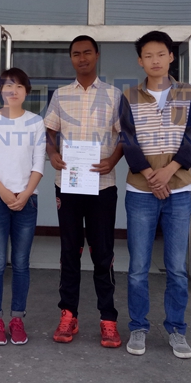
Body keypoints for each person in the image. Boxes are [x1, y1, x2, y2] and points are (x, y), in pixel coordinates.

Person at [119, 30, 191, 359]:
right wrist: (151, 176)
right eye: (148, 55)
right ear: (140, 61)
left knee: (176, 267)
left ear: (171, 57)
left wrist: (168, 172)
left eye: (161, 54)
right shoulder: (129, 96)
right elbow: (128, 140)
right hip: (140, 190)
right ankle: (138, 326)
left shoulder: (189, 93)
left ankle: (176, 330)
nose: (155, 60)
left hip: (180, 188)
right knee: (138, 266)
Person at [44, 35, 124, 348]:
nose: (82, 58)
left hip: (103, 186)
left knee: (102, 253)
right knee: (70, 251)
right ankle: (68, 314)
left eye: (87, 52)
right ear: (71, 58)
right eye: (76, 54)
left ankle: (108, 319)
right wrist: (52, 154)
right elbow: (49, 132)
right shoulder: (61, 96)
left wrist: (112, 160)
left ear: (97, 55)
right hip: (69, 185)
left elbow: (124, 138)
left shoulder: (115, 95)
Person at [0, 68, 45, 346]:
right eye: (7, 86)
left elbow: (39, 163)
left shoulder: (35, 122)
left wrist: (25, 193)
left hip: (27, 199)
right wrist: (4, 193)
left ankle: (17, 319)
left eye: (18, 86)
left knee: (22, 263)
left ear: (26, 91)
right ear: (0, 91)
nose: (12, 90)